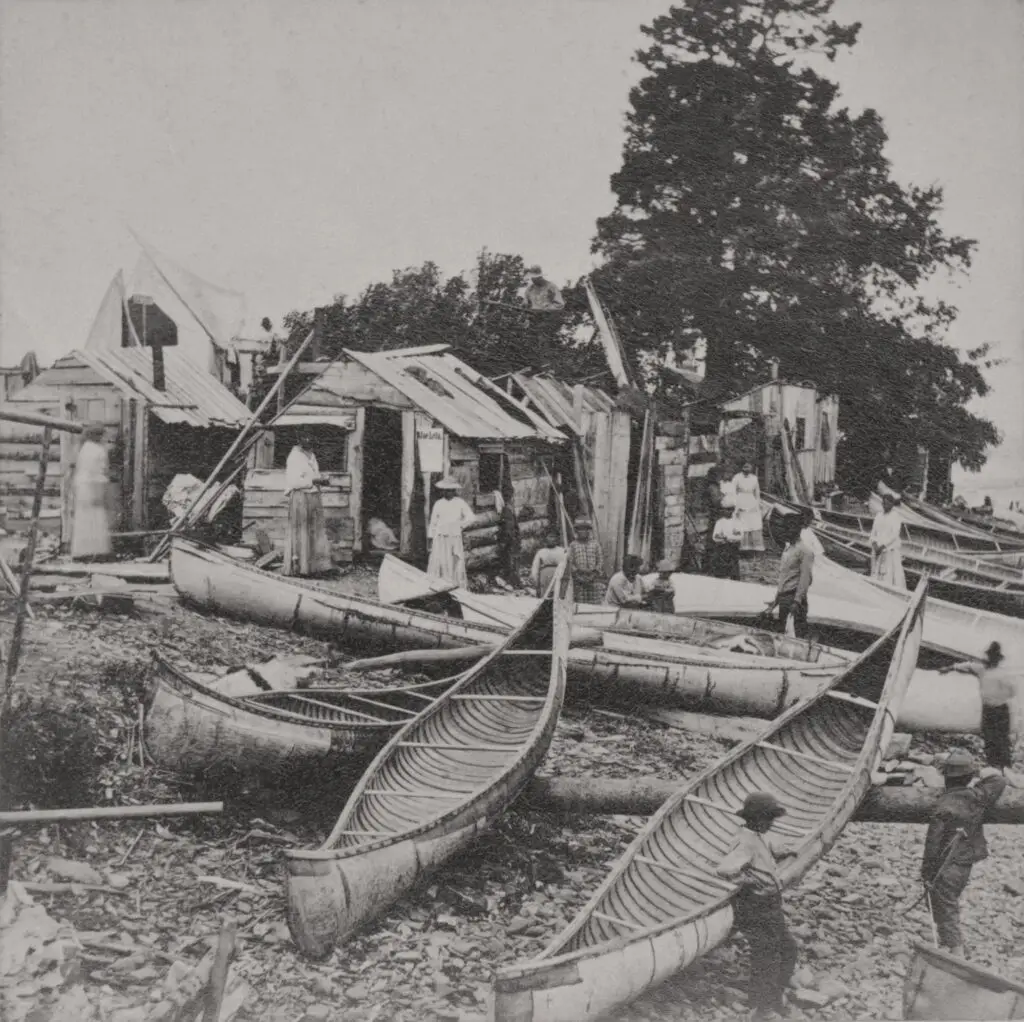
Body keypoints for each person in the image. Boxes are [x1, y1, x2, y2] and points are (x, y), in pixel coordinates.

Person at [716, 792, 799, 1021]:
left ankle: (767, 998)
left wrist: (784, 852)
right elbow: (725, 869)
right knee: (768, 954)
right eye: (769, 819)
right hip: (755, 904)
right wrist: (747, 880)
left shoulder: (758, 835)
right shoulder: (746, 841)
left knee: (784, 949)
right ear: (757, 819)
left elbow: (770, 846)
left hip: (768, 903)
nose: (771, 824)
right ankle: (764, 1008)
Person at [921, 750, 1007, 958]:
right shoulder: (977, 797)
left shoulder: (943, 805)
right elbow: (998, 780)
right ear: (969, 777)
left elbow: (932, 844)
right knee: (946, 904)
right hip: (965, 865)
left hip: (946, 866)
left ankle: (956, 953)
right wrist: (977, 778)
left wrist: (926, 873)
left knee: (944, 907)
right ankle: (958, 946)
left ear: (946, 777)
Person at [939, 642, 1020, 782]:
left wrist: (998, 697)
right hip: (988, 709)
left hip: (1000, 709)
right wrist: (949, 668)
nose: (990, 659)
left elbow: (1012, 691)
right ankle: (993, 765)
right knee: (989, 736)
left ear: (997, 659)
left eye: (992, 657)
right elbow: (966, 666)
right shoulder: (982, 669)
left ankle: (1005, 767)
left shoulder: (1002, 674)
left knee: (1001, 738)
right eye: (989, 656)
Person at [283, 436, 332, 577]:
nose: (309, 440)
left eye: (311, 437)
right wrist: (315, 480)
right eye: (305, 437)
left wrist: (321, 480)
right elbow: (294, 481)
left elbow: (313, 474)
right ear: (299, 440)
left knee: (314, 531)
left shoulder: (311, 455)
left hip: (313, 496)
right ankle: (300, 568)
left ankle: (314, 568)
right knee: (302, 531)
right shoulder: (295, 456)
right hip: (300, 497)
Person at [765, 515, 814, 638]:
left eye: (789, 528)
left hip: (794, 599)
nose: (785, 532)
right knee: (783, 634)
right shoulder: (788, 550)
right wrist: (776, 600)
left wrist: (797, 601)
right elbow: (784, 578)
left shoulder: (804, 551)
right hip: (784, 599)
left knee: (797, 635)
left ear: (797, 529)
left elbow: (806, 578)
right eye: (784, 528)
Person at [71, 425, 112, 561]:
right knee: (95, 519)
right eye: (105, 436)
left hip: (84, 486)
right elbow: (96, 471)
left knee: (86, 519)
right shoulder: (97, 450)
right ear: (99, 436)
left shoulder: (85, 448)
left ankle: (84, 552)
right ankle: (95, 553)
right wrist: (98, 492)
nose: (107, 439)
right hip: (92, 486)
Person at [426, 477, 475, 586]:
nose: (449, 493)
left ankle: (454, 584)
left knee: (454, 560)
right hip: (440, 537)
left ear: (454, 491)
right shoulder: (438, 503)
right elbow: (433, 522)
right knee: (440, 559)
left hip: (454, 537)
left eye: (451, 490)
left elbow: (471, 517)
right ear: (443, 491)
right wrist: (430, 537)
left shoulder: (460, 503)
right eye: (446, 490)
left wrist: (460, 525)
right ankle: (438, 584)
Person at [870, 492, 906, 588]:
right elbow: (873, 532)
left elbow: (894, 535)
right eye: (883, 503)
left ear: (892, 504)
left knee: (889, 574)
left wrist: (882, 546)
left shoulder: (895, 517)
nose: (885, 505)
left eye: (887, 503)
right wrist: (874, 544)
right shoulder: (878, 515)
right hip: (877, 549)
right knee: (876, 571)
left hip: (889, 549)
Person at [566, 517, 604, 604]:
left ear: (588, 531)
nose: (582, 532)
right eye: (580, 530)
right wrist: (578, 576)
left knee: (594, 603)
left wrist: (594, 574)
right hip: (579, 579)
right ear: (577, 532)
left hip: (593, 578)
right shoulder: (573, 545)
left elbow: (600, 560)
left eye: (585, 529)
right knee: (580, 603)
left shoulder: (595, 544)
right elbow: (570, 562)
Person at [731, 462, 765, 552]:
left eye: (749, 467)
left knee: (754, 523)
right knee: (742, 524)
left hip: (751, 501)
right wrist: (736, 505)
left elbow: (757, 492)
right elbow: (733, 492)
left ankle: (754, 548)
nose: (747, 469)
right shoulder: (736, 477)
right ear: (742, 468)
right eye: (745, 467)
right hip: (740, 500)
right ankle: (743, 547)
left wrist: (758, 503)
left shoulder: (754, 478)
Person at [529, 528, 565, 598]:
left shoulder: (562, 551)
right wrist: (535, 580)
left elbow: (565, 565)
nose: (552, 539)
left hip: (558, 577)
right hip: (544, 579)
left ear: (557, 539)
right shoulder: (541, 552)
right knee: (545, 597)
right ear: (545, 538)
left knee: (557, 596)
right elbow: (535, 568)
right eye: (550, 537)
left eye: (554, 537)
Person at [709, 506, 743, 580]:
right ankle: (720, 575)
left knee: (733, 558)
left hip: (732, 547)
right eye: (726, 510)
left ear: (733, 510)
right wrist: (724, 538)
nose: (727, 512)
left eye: (730, 510)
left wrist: (727, 537)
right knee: (720, 556)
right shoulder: (720, 522)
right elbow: (715, 536)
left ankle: (734, 576)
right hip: (722, 547)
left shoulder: (737, 522)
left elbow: (739, 536)